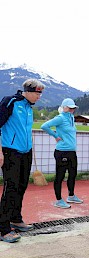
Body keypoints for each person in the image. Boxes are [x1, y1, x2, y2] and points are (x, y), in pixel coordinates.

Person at [0, 79, 45, 243]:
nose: (39, 97)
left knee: (21, 186)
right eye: (38, 93)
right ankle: (3, 229)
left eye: (41, 93)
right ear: (28, 90)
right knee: (10, 188)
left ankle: (15, 219)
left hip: (26, 152)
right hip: (10, 151)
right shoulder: (10, 101)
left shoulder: (28, 108)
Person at [41, 98, 83, 209]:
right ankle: (59, 200)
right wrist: (55, 136)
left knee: (73, 175)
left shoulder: (71, 118)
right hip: (62, 152)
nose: (72, 110)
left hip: (72, 152)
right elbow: (44, 126)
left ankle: (71, 196)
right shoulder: (60, 118)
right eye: (70, 107)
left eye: (73, 108)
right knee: (60, 176)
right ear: (64, 107)